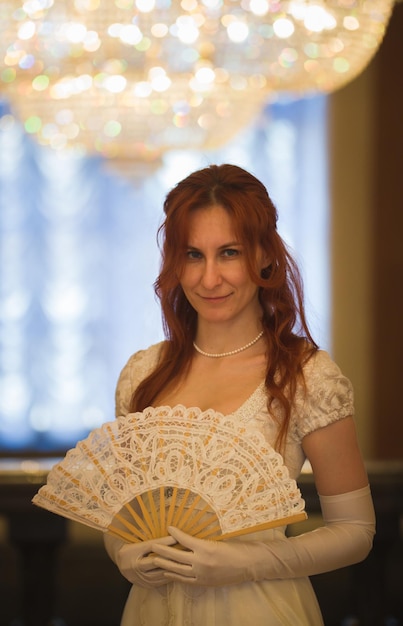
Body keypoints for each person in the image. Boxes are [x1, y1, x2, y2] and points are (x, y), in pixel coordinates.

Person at [104, 163, 375, 626]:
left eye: (228, 252)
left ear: (264, 256)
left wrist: (246, 564)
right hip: (151, 610)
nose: (209, 279)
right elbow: (121, 510)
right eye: (193, 255)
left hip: (258, 608)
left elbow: (356, 530)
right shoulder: (143, 374)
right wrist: (122, 553)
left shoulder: (306, 377)